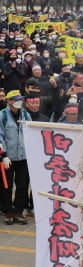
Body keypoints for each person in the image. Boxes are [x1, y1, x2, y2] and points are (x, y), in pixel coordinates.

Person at [0, 90, 32, 225]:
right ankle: (8, 211)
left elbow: (31, 133)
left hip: (23, 157)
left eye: (20, 99)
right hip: (8, 158)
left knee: (22, 185)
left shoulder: (26, 115)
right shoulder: (2, 116)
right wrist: (4, 155)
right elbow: (0, 136)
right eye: (15, 99)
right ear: (9, 101)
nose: (19, 101)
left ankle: (18, 211)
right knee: (6, 186)